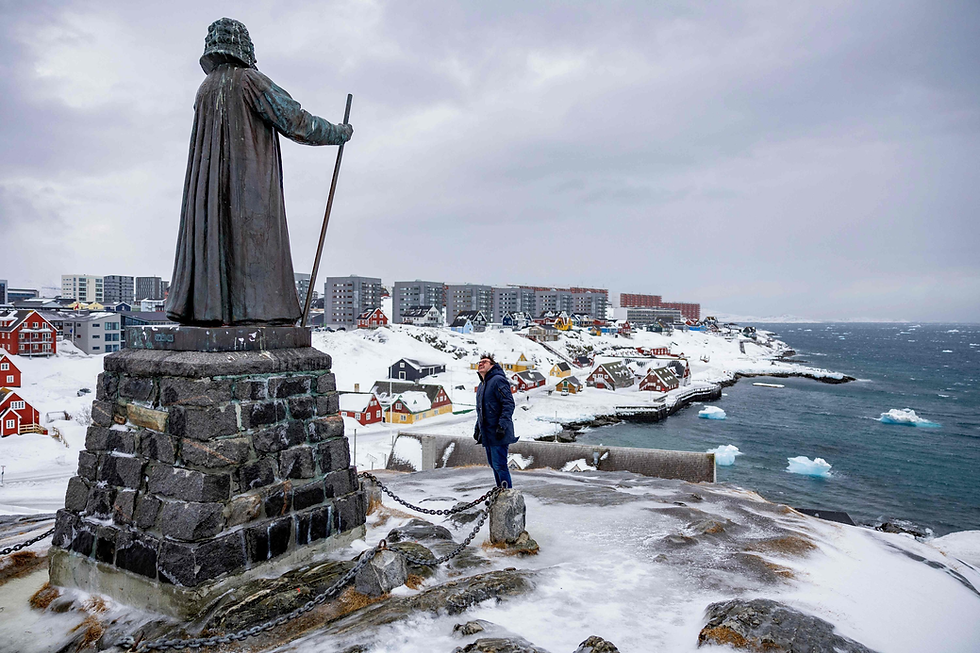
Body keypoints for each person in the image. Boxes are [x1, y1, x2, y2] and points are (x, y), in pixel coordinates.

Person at [166, 18, 353, 326]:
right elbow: (295, 121)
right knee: (252, 244)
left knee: (218, 240)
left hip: (210, 193)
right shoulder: (250, 81)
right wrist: (338, 133)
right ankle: (255, 311)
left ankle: (211, 311)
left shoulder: (206, 89)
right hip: (247, 188)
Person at [474, 353, 517, 487]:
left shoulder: (498, 380)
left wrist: (502, 426)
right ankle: (500, 491)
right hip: (488, 433)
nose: (481, 363)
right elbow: (482, 411)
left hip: (499, 432)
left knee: (500, 465)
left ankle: (507, 494)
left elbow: (508, 403)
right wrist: (477, 430)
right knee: (494, 465)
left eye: (485, 362)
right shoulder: (482, 385)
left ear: (492, 366)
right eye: (479, 362)